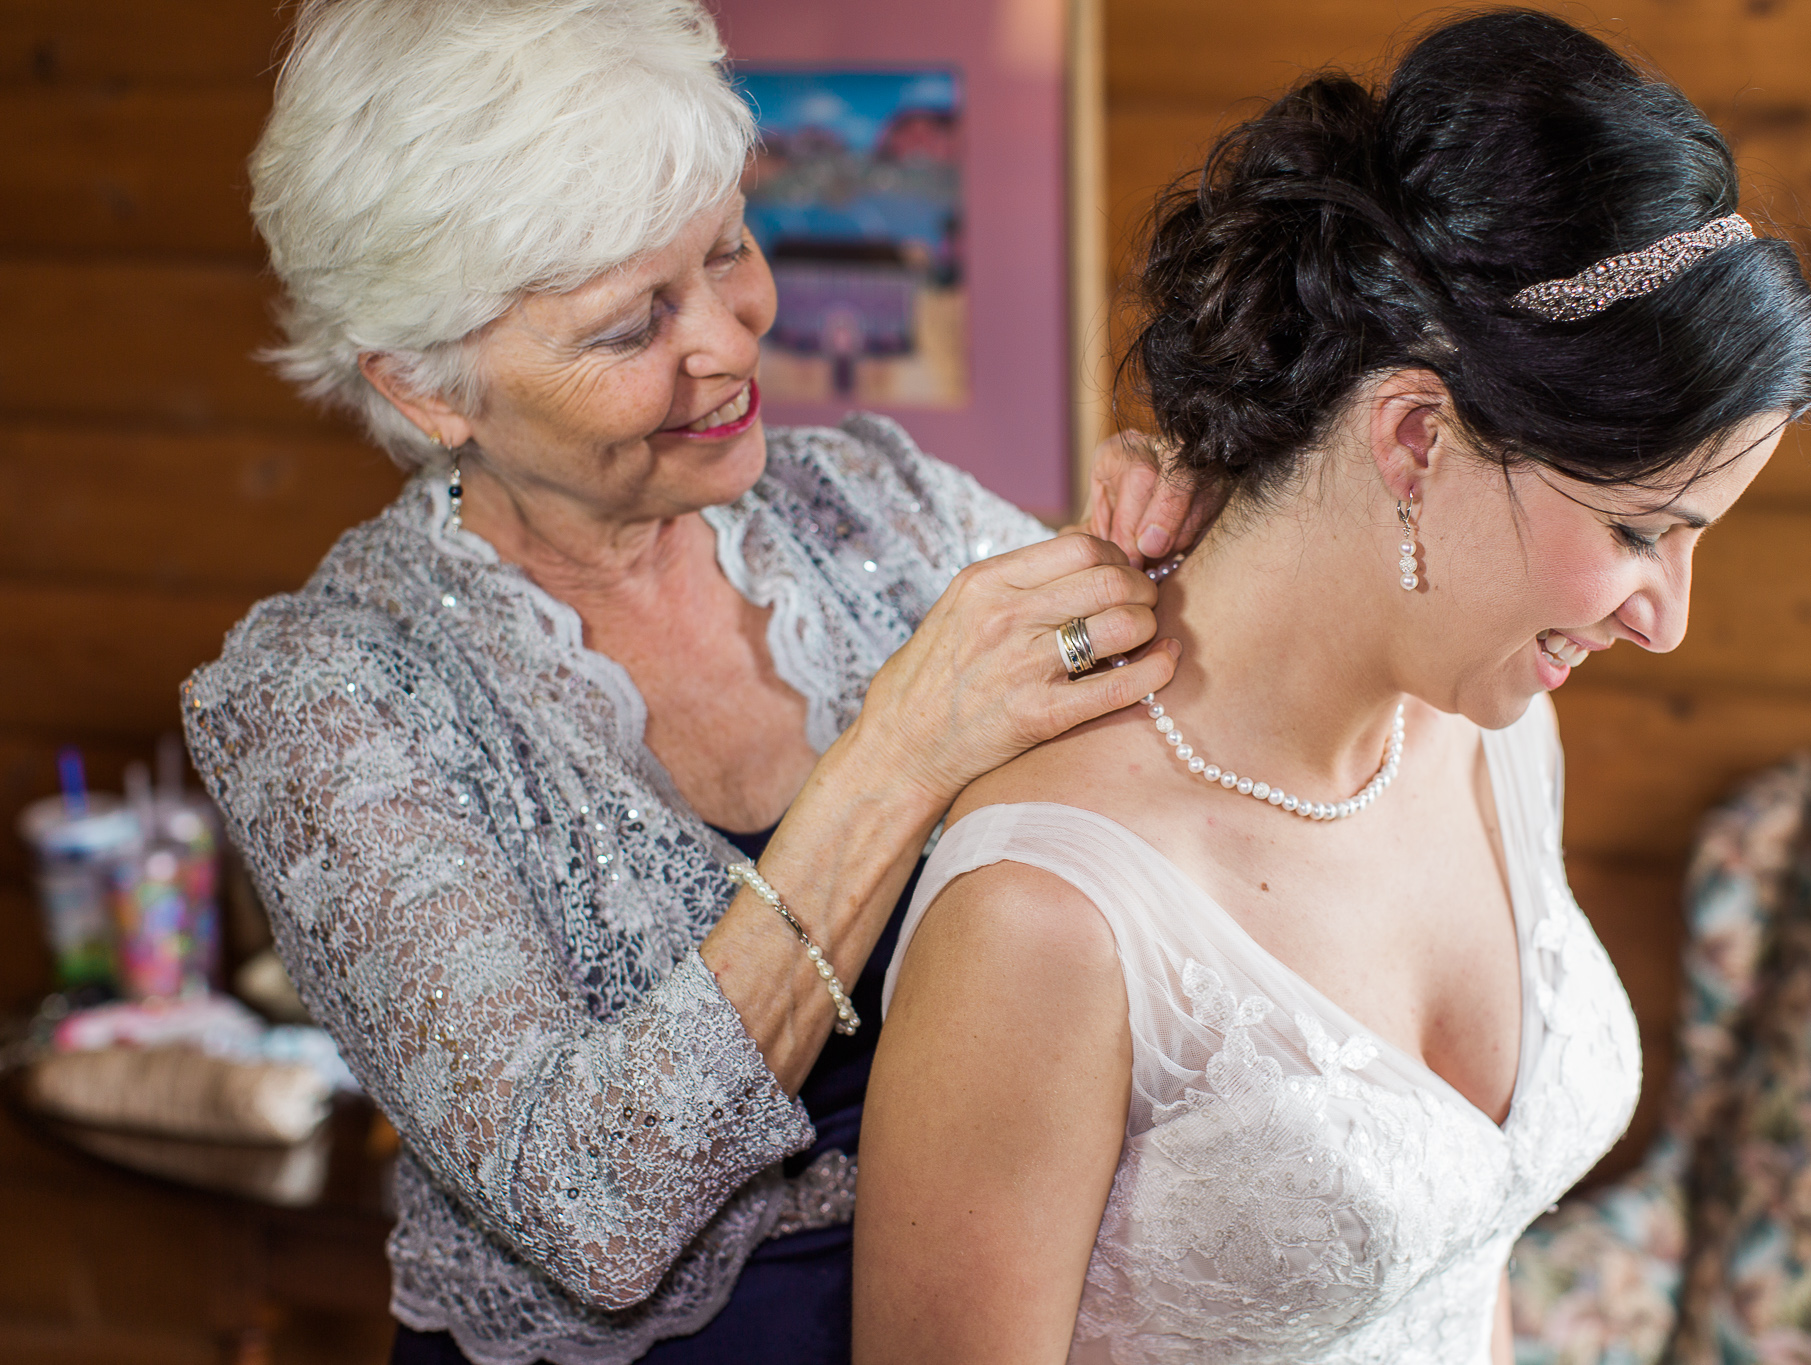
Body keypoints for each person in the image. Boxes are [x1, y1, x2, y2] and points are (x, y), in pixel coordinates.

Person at [180, 2, 1208, 1363]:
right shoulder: (328, 697)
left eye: (729, 247)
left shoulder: (872, 504)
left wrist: (1178, 546)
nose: (729, 340)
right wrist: (900, 753)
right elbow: (593, 1206)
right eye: (628, 329)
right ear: (430, 390)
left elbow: (1169, 711)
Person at [853, 10, 1811, 1363]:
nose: (1666, 620)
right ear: (1417, 434)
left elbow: (1468, 1259)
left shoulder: (1501, 736)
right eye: (1637, 530)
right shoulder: (1047, 916)